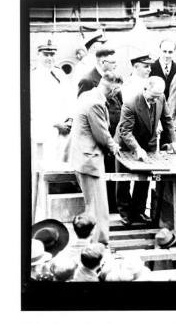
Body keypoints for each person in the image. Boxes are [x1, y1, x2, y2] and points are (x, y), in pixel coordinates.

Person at [115, 76, 176, 226]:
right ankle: (125, 213)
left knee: (145, 179)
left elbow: (167, 119)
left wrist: (174, 142)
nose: (154, 101)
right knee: (123, 179)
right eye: (152, 98)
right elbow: (125, 131)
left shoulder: (161, 97)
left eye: (157, 98)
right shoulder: (130, 104)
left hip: (149, 142)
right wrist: (137, 149)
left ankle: (138, 211)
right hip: (127, 144)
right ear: (145, 89)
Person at [69, 71, 122, 246]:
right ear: (112, 88)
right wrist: (115, 147)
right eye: (117, 90)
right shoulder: (96, 103)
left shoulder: (87, 94)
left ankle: (92, 242)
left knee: (91, 205)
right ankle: (99, 245)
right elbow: (101, 134)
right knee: (99, 209)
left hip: (82, 157)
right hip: (90, 160)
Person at [77, 47, 123, 214]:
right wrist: (111, 143)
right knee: (99, 192)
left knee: (110, 177)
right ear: (103, 62)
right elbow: (89, 117)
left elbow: (120, 105)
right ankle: (106, 212)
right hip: (97, 143)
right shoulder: (88, 81)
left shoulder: (113, 79)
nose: (115, 65)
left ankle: (112, 208)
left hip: (109, 136)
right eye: (113, 62)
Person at [31, 40, 74, 170]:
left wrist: (70, 120)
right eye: (46, 54)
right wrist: (56, 123)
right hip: (44, 130)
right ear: (38, 55)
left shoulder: (60, 74)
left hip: (64, 131)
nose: (50, 58)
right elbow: (35, 108)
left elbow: (70, 99)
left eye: (52, 54)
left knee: (60, 167)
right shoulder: (33, 77)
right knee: (42, 169)